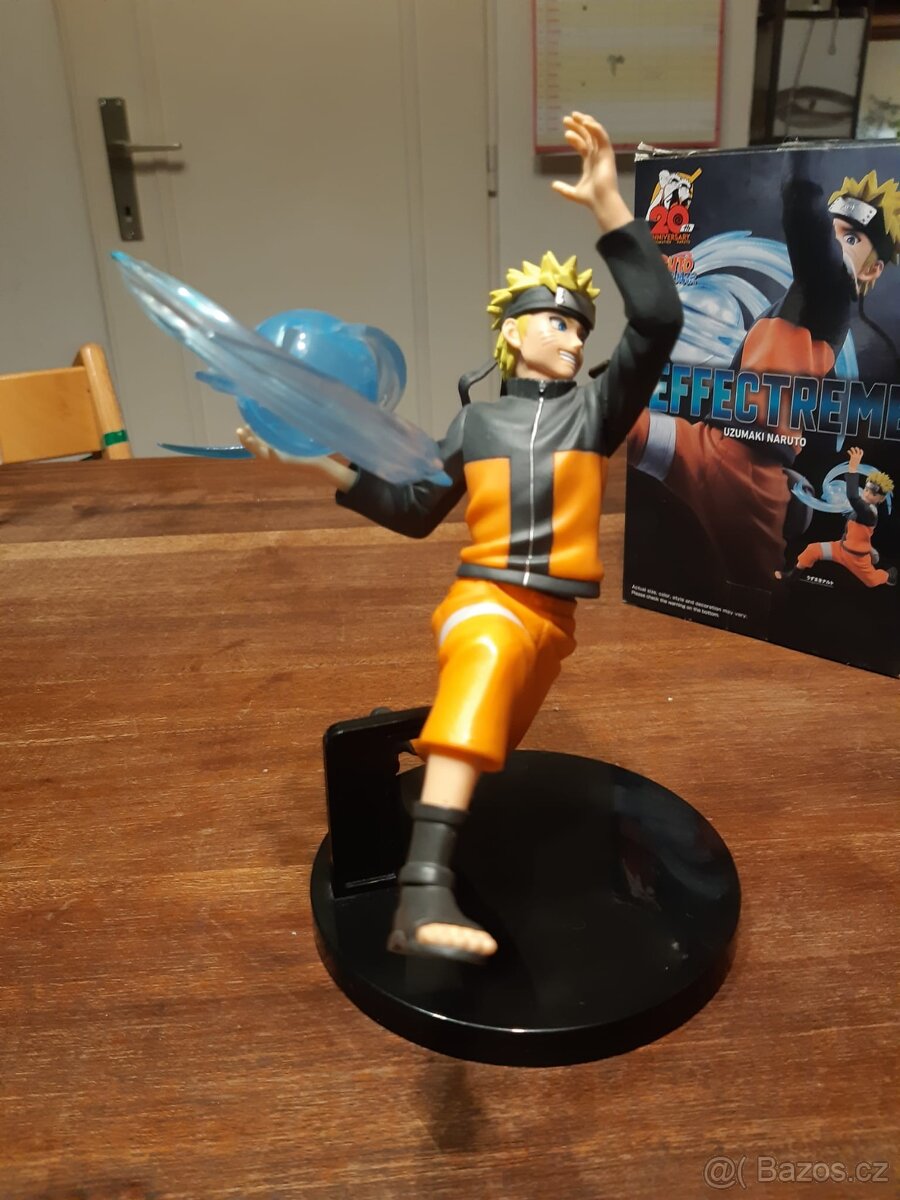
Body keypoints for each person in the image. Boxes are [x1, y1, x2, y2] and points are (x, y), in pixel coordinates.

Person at [240, 112, 682, 963]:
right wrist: (315, 464)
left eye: (581, 329)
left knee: (489, 744)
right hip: (487, 602)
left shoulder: (595, 413)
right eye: (556, 323)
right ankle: (421, 895)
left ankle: (423, 782)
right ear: (512, 332)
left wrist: (610, 209)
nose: (574, 338)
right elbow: (414, 509)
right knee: (481, 670)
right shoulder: (476, 424)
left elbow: (658, 319)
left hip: (555, 622)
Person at [627, 169, 900, 587]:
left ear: (871, 269)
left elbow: (810, 230)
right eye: (835, 230)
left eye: (851, 238)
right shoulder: (795, 304)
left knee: (757, 595)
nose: (836, 243)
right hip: (709, 443)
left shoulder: (831, 293)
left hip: (752, 478)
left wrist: (800, 176)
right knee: (617, 421)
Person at [779, 447, 896, 588]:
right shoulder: (863, 507)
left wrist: (852, 468)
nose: (867, 494)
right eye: (866, 489)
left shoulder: (869, 512)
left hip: (857, 558)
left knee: (871, 581)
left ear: (881, 499)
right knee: (812, 550)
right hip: (840, 549)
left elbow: (853, 497)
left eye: (873, 494)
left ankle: (888, 575)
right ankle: (792, 575)